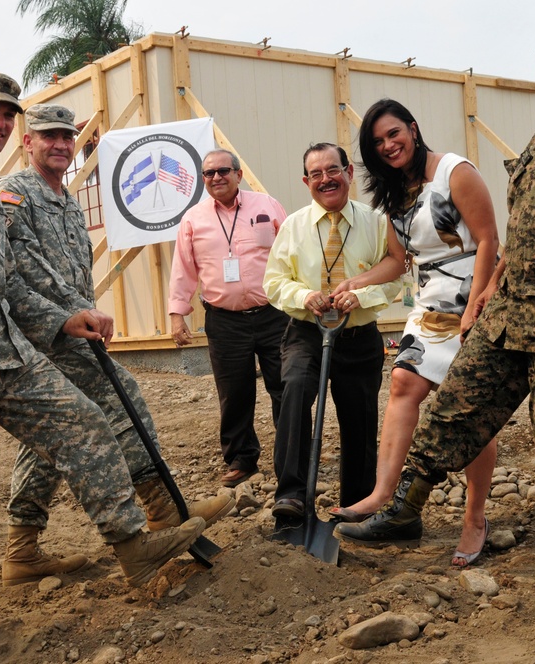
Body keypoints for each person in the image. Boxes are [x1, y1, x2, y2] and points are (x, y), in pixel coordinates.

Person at [0, 70, 205, 664]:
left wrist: (63, 321)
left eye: (8, 115)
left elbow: (7, 283)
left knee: (82, 425)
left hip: (7, 355)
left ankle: (135, 549)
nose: (0, 124)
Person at [336, 24, 535, 584]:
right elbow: (519, 234)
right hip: (507, 313)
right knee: (455, 405)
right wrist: (487, 287)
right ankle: (402, 509)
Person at [0, 104, 234, 587]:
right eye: (49, 137)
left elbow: (69, 271)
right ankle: (162, 507)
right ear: (28, 142)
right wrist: (69, 315)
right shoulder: (14, 196)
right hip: (44, 334)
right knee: (119, 398)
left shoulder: (65, 198)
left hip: (73, 328)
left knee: (50, 440)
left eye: (68, 137)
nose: (61, 144)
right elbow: (22, 268)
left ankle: (21, 551)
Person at [328, 99, 501, 564]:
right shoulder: (395, 193)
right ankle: (382, 494)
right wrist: (356, 281)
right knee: (403, 382)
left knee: (470, 412)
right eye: (378, 142)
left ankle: (475, 517)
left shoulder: (453, 171)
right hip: (428, 302)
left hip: (472, 294)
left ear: (413, 128)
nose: (388, 145)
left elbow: (489, 239)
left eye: (393, 134)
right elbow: (396, 259)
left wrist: (477, 306)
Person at [263, 142, 405, 520]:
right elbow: (274, 281)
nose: (326, 179)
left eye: (333, 170)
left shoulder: (377, 222)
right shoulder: (293, 226)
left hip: (358, 338)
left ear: (349, 173)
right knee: (294, 390)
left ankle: (357, 501)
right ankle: (291, 494)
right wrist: (303, 294)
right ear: (306, 181)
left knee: (359, 416)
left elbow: (394, 279)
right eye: (316, 174)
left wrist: (362, 296)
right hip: (306, 333)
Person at [167, 149, 289, 488]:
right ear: (203, 179)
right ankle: (242, 459)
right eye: (209, 173)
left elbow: (293, 252)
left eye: (223, 170)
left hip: (274, 315)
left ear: (238, 173)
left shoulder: (267, 205)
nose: (216, 177)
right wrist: (178, 316)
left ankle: (292, 456)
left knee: (286, 386)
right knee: (233, 393)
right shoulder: (194, 219)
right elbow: (183, 270)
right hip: (224, 321)